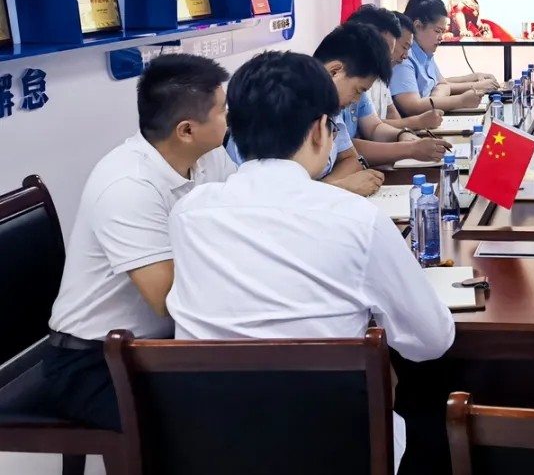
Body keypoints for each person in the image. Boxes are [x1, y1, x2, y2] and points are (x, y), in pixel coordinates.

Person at [166, 51, 455, 471]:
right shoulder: (358, 219)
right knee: (430, 406)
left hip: (210, 447)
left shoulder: (189, 213)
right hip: (333, 449)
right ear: (321, 129)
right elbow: (431, 341)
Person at [44, 54, 234, 430]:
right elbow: (166, 299)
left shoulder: (208, 158)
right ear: (186, 130)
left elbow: (243, 214)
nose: (230, 118)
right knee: (229, 414)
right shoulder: (128, 186)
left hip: (159, 346)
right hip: (93, 363)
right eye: (222, 111)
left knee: (263, 385)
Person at [225, 23, 389, 197]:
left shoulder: (330, 110)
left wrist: (323, 190)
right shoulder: (281, 105)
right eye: (357, 91)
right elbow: (271, 194)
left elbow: (350, 159)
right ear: (335, 72)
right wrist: (334, 189)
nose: (356, 100)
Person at [343, 6, 452, 166]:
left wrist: (402, 134)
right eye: (386, 49)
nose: (390, 56)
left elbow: (374, 127)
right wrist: (409, 148)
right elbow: (345, 146)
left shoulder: (372, 77)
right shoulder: (334, 86)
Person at [390, 0, 499, 116]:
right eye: (437, 31)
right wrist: (461, 100)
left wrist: (473, 78)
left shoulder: (424, 52)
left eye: (443, 31)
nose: (441, 37)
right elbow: (412, 106)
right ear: (418, 26)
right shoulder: (403, 57)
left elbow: (442, 83)